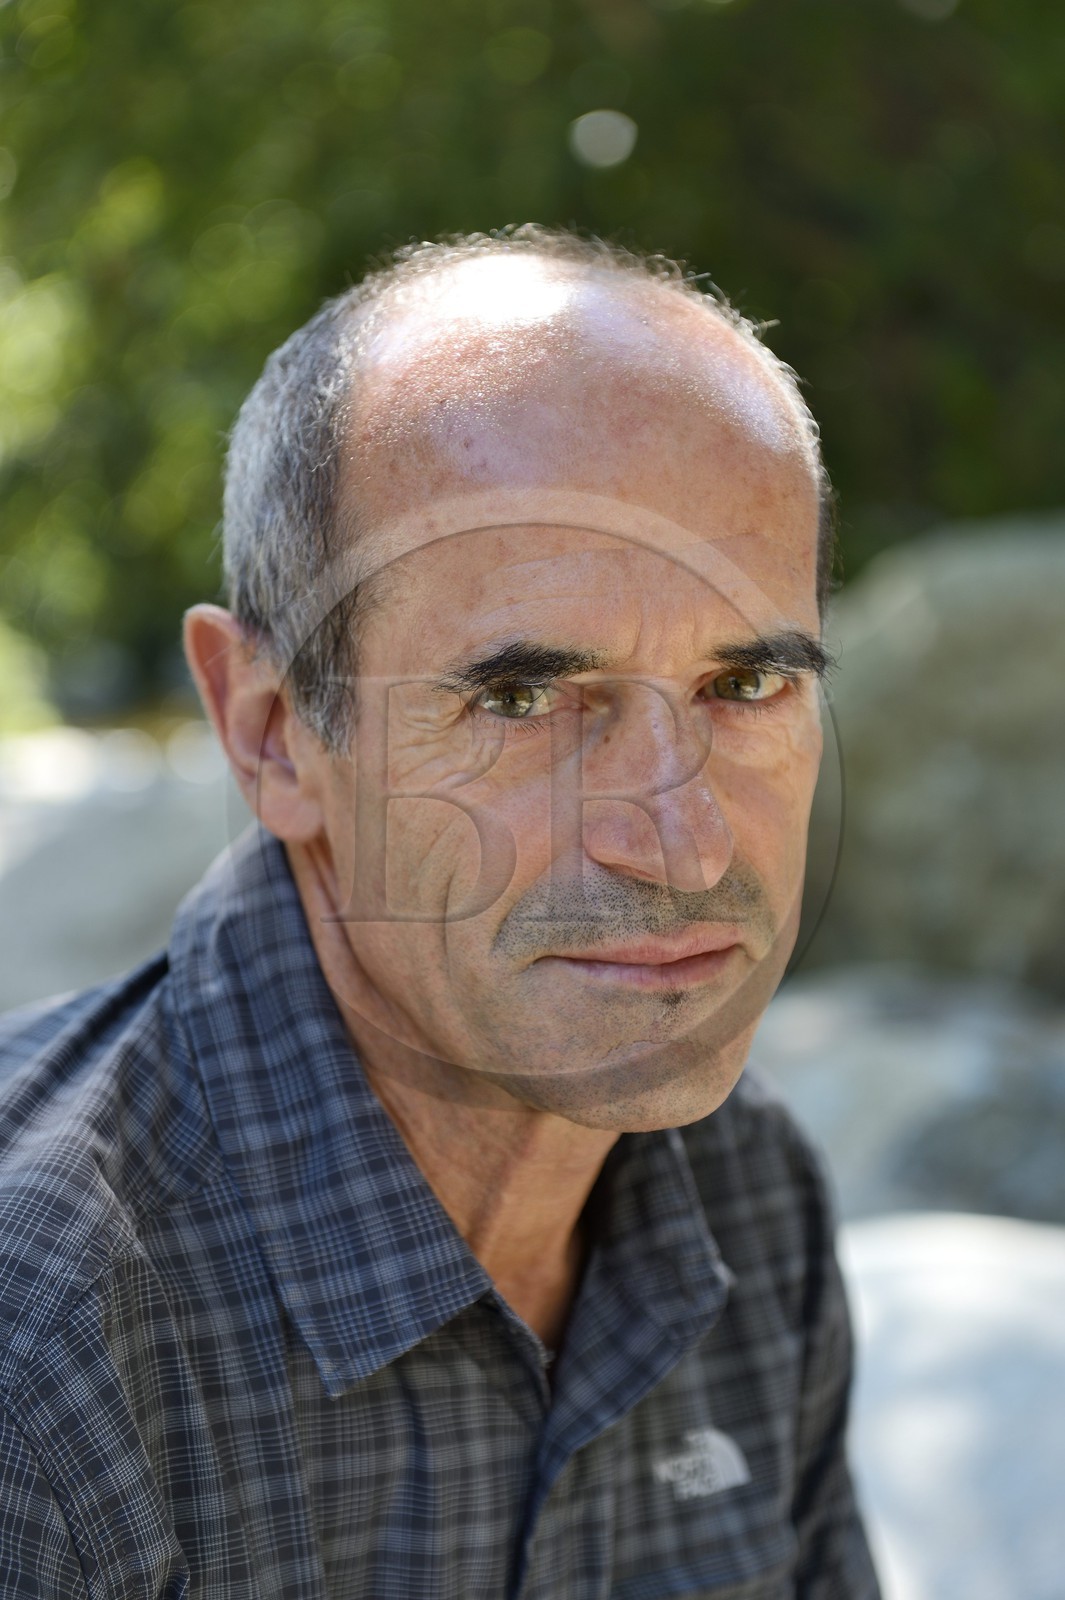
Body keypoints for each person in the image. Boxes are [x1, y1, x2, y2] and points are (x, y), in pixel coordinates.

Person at [0, 227, 881, 1598]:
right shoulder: (42, 1348)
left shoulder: (744, 1191)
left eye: (745, 685)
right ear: (273, 733)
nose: (681, 834)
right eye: (523, 700)